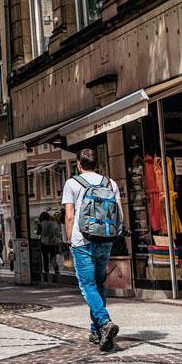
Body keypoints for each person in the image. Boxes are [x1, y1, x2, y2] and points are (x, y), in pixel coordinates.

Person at [62, 148, 124, 352]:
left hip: (83, 240)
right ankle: (96, 330)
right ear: (96, 164)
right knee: (99, 283)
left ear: (79, 164)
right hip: (105, 239)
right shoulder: (110, 183)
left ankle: (104, 322)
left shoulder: (72, 183)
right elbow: (119, 215)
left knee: (87, 284)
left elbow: (69, 216)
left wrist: (70, 240)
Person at [37, 211, 61, 282]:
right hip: (53, 243)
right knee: (53, 259)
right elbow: (58, 233)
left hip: (44, 244)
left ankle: (46, 274)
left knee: (45, 259)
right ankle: (56, 271)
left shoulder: (40, 224)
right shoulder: (54, 224)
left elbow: (38, 233)